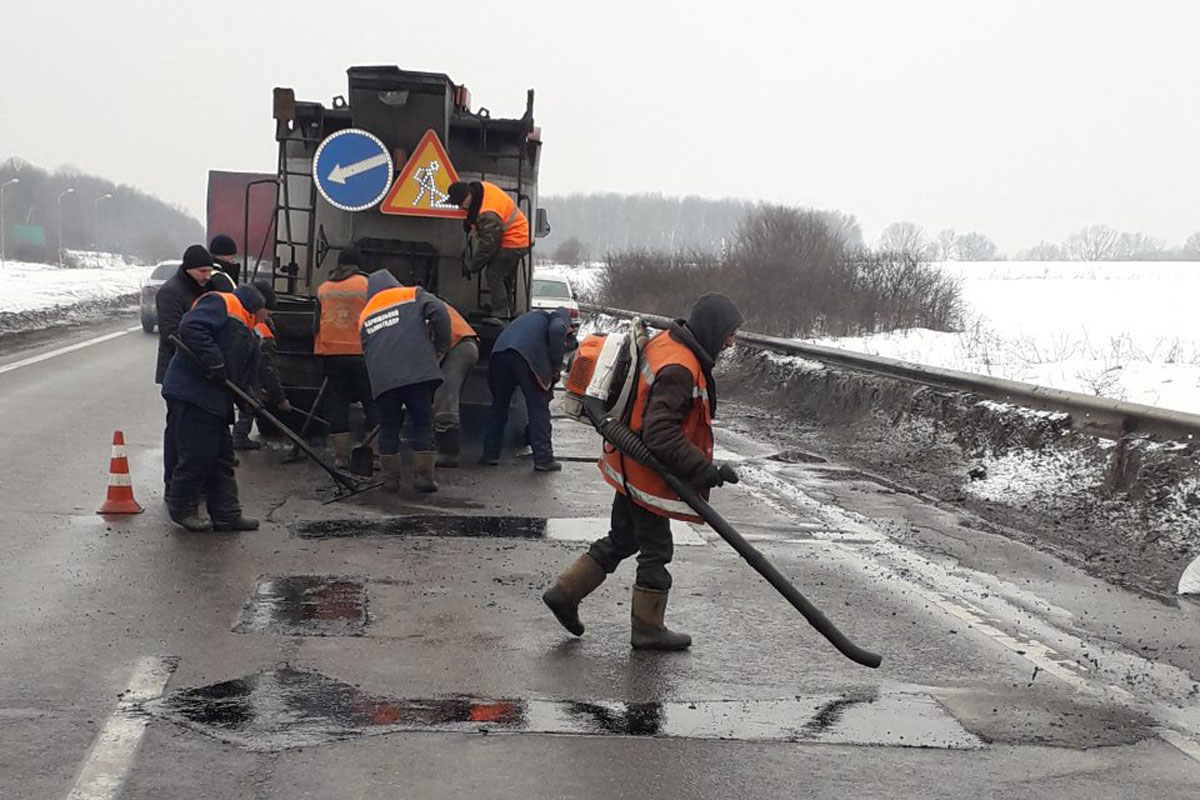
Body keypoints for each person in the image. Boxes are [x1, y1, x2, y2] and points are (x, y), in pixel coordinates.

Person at [542, 293, 745, 651]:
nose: (731, 342)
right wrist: (705, 470)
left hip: (628, 463)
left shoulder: (668, 341)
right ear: (713, 329)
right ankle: (648, 628)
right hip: (645, 469)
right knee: (656, 548)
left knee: (623, 538)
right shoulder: (680, 369)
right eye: (729, 333)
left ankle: (565, 592)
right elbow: (660, 433)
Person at [161, 284, 267, 532]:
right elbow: (190, 327)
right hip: (192, 394)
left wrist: (249, 401)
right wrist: (214, 360)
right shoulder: (222, 303)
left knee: (221, 457)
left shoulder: (249, 333)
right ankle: (182, 507)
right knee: (198, 454)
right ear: (259, 307)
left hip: (214, 401)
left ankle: (226, 514)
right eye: (268, 311)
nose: (269, 317)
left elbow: (241, 376)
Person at [359, 270, 451, 493]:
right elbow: (439, 311)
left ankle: (390, 480)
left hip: (383, 379)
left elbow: (365, 348)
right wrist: (441, 345)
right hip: (416, 371)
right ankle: (424, 478)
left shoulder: (365, 314)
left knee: (389, 426)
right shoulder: (411, 294)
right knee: (422, 421)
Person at [480, 307, 577, 472]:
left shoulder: (529, 319)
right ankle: (543, 458)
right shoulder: (558, 317)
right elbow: (556, 330)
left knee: (499, 406)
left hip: (498, 355)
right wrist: (556, 365)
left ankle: (490, 454)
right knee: (538, 407)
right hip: (524, 355)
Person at [155, 245, 214, 492]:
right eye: (202, 271)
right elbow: (172, 334)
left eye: (210, 270)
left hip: (200, 373)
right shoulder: (170, 292)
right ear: (189, 269)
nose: (207, 276)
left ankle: (193, 483)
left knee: (196, 433)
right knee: (178, 431)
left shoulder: (205, 289)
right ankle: (173, 484)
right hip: (176, 372)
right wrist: (206, 351)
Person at [313, 247, 376, 467]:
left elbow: (315, 324)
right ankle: (373, 455)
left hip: (331, 354)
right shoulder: (368, 285)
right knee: (372, 403)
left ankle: (341, 458)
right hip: (362, 354)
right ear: (358, 264)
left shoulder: (324, 288)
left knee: (338, 405)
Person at [446, 181, 530, 323]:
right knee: (504, 277)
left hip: (515, 240)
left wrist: (472, 265)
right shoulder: (480, 190)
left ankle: (501, 314)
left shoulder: (488, 214)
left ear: (468, 196)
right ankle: (506, 308)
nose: (460, 207)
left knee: (494, 273)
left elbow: (488, 246)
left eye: (460, 203)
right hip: (519, 237)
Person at [232, 280, 291, 448]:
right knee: (251, 399)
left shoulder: (243, 318)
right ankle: (239, 437)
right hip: (247, 372)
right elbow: (267, 369)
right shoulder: (262, 332)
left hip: (241, 369)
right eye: (268, 311)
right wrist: (280, 398)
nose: (269, 316)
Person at [433, 300, 479, 468]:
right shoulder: (419, 303)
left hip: (459, 347)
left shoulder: (410, 309)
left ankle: (449, 454)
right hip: (463, 343)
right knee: (444, 398)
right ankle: (440, 447)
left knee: (445, 400)